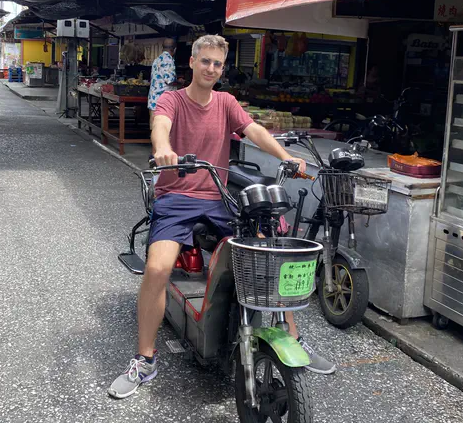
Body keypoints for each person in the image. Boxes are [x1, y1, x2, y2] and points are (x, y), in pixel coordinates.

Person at [108, 34, 336, 400]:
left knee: (268, 255)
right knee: (157, 269)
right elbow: (160, 125)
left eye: (217, 64)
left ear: (222, 69)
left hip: (217, 196)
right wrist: (163, 149)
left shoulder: (227, 102)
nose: (210, 68)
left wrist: (283, 156)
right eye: (205, 61)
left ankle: (293, 337)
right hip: (176, 196)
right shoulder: (173, 99)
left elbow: (254, 130)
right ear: (192, 63)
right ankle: (145, 359)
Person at [147, 38, 177, 127]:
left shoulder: (157, 59)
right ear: (174, 49)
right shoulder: (168, 60)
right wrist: (180, 82)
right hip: (163, 101)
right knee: (163, 129)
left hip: (153, 99)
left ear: (162, 48)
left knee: (154, 127)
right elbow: (170, 81)